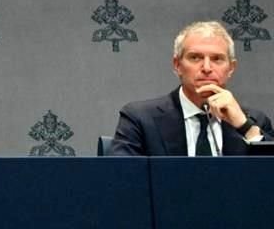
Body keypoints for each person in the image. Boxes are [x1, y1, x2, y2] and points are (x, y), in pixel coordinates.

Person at [111, 20, 273, 155]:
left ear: (231, 68)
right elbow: (122, 179)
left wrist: (244, 127)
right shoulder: (141, 119)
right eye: (195, 57)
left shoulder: (255, 121)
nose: (207, 68)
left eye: (217, 59)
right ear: (177, 65)